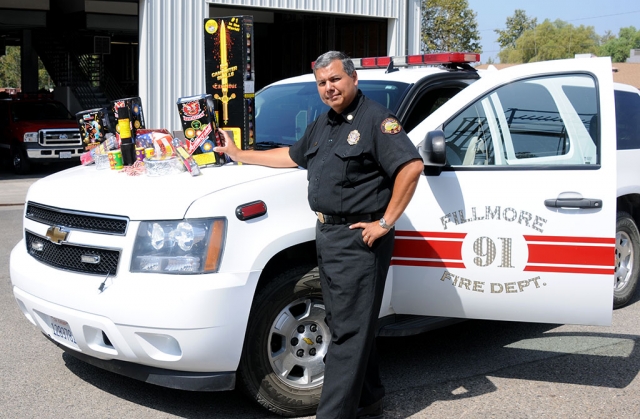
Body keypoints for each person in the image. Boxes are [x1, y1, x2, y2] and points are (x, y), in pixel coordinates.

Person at [215, 50, 424, 419]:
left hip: (360, 238)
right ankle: (369, 398)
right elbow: (293, 156)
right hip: (327, 235)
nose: (329, 88)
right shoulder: (324, 123)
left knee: (346, 335)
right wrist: (240, 154)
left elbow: (411, 166)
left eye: (335, 80)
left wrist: (385, 223)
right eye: (322, 83)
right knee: (351, 324)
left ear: (353, 79)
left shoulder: (376, 120)